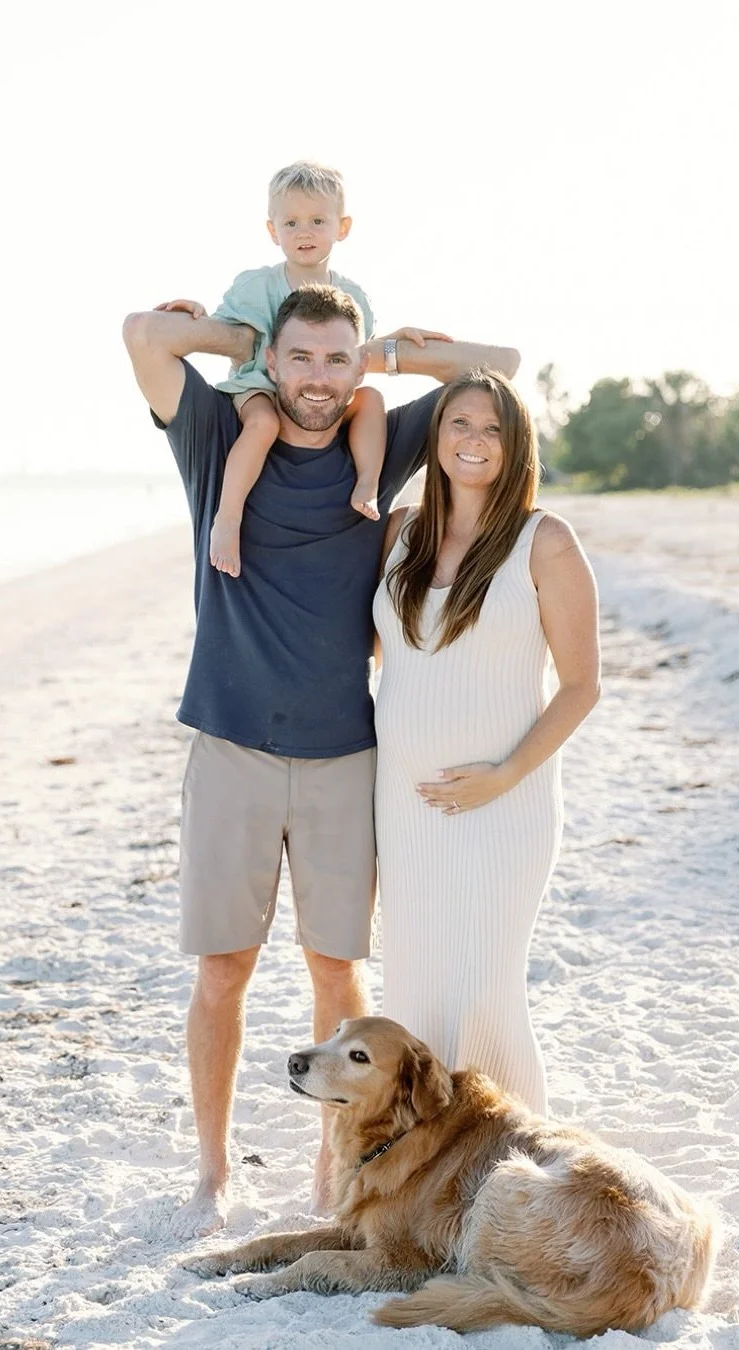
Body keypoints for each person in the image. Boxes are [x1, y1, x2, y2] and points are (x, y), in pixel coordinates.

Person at [122, 282, 519, 1239]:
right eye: (301, 358)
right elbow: (142, 334)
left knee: (338, 976)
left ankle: (327, 1165)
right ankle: (213, 1173)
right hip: (232, 746)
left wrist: (388, 357)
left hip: (347, 755)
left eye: (337, 359)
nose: (318, 378)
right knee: (223, 968)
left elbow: (499, 368)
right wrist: (235, 339)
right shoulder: (219, 437)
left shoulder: (378, 444)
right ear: (274, 361)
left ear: (355, 364)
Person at [373, 367, 600, 1116]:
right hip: (405, 811)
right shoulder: (402, 531)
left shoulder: (546, 541)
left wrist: (502, 776)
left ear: (516, 444)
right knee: (417, 988)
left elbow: (580, 686)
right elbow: (395, 656)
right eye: (458, 423)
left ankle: (509, 1151)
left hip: (503, 809)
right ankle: (423, 1164)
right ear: (435, 437)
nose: (473, 440)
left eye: (493, 428)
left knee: (483, 991)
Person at [167, 162, 420, 579]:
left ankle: (368, 485)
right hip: (258, 388)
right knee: (263, 424)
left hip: (316, 394)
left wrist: (395, 341)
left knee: (371, 399)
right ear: (273, 231)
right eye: (292, 222)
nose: (304, 232)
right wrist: (196, 313)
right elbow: (223, 329)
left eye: (318, 220)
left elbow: (354, 353)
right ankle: (227, 518)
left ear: (342, 226)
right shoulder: (256, 286)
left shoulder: (353, 296)